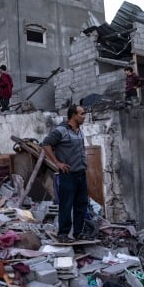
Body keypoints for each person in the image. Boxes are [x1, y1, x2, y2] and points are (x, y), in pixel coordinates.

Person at [41, 104, 89, 243]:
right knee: (66, 205)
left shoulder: (79, 131)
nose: (84, 116)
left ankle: (78, 232)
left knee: (81, 204)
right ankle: (63, 234)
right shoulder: (61, 131)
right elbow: (46, 144)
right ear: (73, 115)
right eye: (81, 114)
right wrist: (57, 163)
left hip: (81, 174)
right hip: (68, 175)